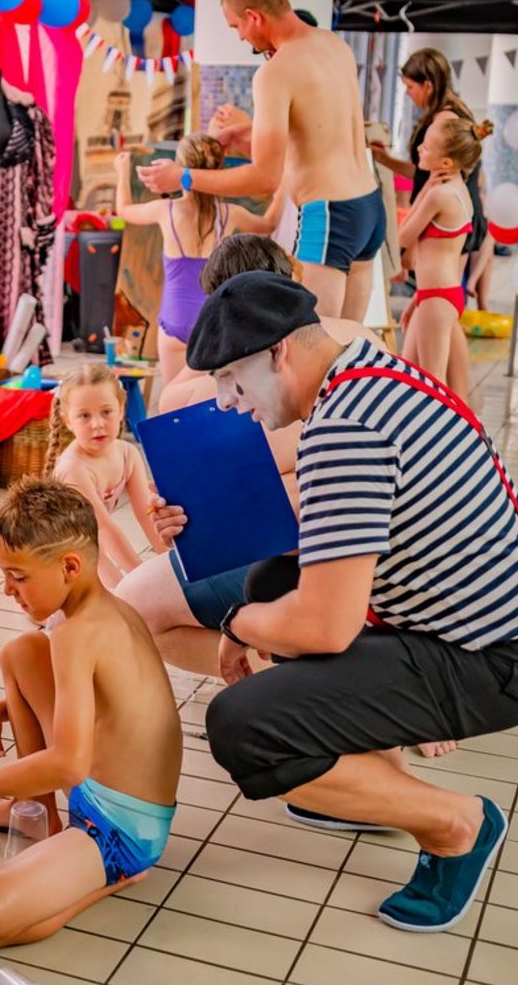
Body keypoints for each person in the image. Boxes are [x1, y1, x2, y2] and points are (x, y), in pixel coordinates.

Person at [177, 271, 518, 932]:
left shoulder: (345, 427)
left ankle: (455, 823)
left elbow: (325, 626)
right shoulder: (375, 376)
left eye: (233, 381)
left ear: (278, 354)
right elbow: (312, 547)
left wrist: (236, 620)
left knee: (241, 725)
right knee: (269, 580)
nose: (230, 402)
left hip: (498, 655)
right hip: (491, 619)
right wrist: (253, 606)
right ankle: (363, 775)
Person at [0, 478, 182, 949]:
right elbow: (105, 708)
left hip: (121, 830)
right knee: (20, 651)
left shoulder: (77, 634)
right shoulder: (100, 609)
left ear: (69, 566)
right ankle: (36, 814)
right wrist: (2, 709)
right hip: (105, 786)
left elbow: (68, 763)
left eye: (18, 577)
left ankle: (114, 880)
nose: (8, 590)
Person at [117, 235, 382, 678]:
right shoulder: (355, 338)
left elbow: (173, 407)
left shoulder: (265, 378)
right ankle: (285, 683)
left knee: (132, 607)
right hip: (350, 557)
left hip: (314, 556)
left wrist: (206, 521)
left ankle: (285, 686)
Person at [138, 0, 384, 320]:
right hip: (367, 207)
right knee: (350, 344)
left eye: (236, 26)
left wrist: (184, 177)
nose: (239, 37)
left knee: (312, 342)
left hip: (332, 214)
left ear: (254, 16)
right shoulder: (332, 44)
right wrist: (252, 133)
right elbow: (321, 129)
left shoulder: (274, 72)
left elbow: (264, 179)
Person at [114, 140, 250, 386]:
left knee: (172, 403)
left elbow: (123, 210)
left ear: (180, 169)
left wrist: (122, 170)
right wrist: (283, 185)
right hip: (213, 322)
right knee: (210, 401)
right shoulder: (231, 214)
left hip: (175, 320)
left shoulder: (165, 210)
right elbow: (270, 224)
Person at [371, 47, 493, 316]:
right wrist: (384, 158)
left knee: (443, 307)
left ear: (428, 85)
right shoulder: (447, 115)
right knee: (441, 305)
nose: (407, 93)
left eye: (410, 86)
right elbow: (423, 173)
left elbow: (430, 176)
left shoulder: (445, 120)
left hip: (445, 218)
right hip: (447, 214)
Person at [45, 363, 166, 589]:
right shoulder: (74, 468)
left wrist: (170, 559)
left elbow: (145, 513)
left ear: (121, 410)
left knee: (147, 591)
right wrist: (140, 578)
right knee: (128, 599)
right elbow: (104, 531)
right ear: (67, 420)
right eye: (84, 416)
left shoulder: (127, 453)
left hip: (89, 547)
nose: (98, 424)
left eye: (106, 412)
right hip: (58, 556)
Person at [400, 116, 490, 386]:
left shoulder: (439, 195)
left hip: (437, 297)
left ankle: (437, 428)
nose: (419, 150)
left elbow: (403, 235)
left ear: (446, 163)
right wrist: (418, 298)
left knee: (432, 385)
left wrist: (427, 187)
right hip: (438, 293)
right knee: (410, 375)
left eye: (425, 147)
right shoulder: (460, 190)